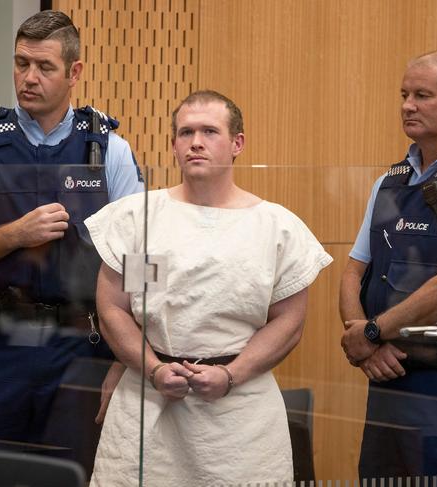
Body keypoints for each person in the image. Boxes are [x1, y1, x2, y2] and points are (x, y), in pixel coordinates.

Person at [0, 10, 143, 471]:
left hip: (82, 344)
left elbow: (140, 263)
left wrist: (128, 358)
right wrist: (13, 235)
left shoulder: (109, 151)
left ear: (74, 72)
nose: (29, 78)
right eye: (21, 64)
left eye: (44, 67)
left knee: (73, 474)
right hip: (0, 341)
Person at [84, 90, 332, 486]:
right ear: (173, 145)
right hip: (148, 403)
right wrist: (154, 369)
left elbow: (289, 322)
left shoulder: (275, 227)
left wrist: (230, 375)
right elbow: (117, 308)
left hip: (240, 416)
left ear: (237, 144)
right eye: (186, 132)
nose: (195, 141)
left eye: (209, 131)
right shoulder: (143, 218)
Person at [340, 51, 437, 479]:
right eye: (403, 94)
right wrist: (364, 343)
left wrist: (374, 332)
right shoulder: (389, 181)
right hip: (386, 376)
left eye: (422, 95)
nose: (407, 105)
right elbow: (354, 272)